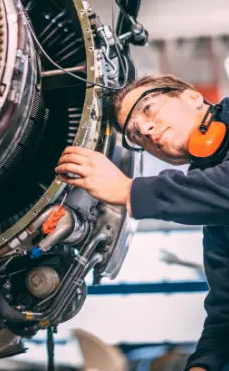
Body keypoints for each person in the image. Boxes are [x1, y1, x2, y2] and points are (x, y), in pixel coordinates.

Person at [55, 74, 229, 371]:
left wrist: (128, 190)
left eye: (148, 109)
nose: (145, 130)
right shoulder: (214, 217)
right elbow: (224, 315)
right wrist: (203, 364)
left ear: (191, 96)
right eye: (135, 135)